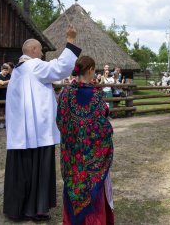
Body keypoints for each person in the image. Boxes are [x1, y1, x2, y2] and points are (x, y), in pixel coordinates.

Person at [3, 25, 82, 222]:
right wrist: (71, 41)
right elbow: (60, 68)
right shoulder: (34, 66)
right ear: (32, 51)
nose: (42, 54)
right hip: (38, 132)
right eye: (40, 50)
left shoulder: (17, 71)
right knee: (38, 169)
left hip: (21, 133)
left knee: (22, 171)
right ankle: (36, 209)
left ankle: (18, 209)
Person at [56, 55, 114, 225]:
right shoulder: (96, 96)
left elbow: (60, 121)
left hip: (72, 155)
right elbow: (103, 128)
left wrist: (72, 138)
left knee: (73, 186)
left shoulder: (65, 93)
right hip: (91, 159)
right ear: (89, 70)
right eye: (94, 70)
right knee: (93, 188)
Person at [0, 63, 11, 129]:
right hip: (1, 95)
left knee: (7, 109)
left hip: (8, 95)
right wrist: (9, 81)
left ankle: (6, 122)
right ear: (1, 70)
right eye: (4, 70)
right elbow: (1, 83)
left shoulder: (9, 75)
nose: (5, 71)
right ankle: (1, 122)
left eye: (6, 70)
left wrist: (7, 81)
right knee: (1, 109)